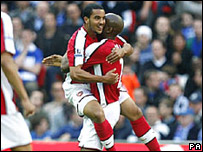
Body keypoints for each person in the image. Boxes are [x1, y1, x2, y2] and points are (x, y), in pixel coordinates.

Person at [43, 3, 160, 151]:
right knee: (97, 118)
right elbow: (73, 71)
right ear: (86, 20)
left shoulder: (102, 32)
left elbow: (128, 46)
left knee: (135, 112)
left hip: (104, 84)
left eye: (103, 18)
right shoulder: (80, 39)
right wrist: (103, 78)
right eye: (97, 18)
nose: (102, 22)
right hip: (80, 85)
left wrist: (122, 52)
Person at [1, 11, 36, 151]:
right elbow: (6, 61)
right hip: (2, 106)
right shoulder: (2, 19)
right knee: (23, 147)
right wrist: (25, 98)